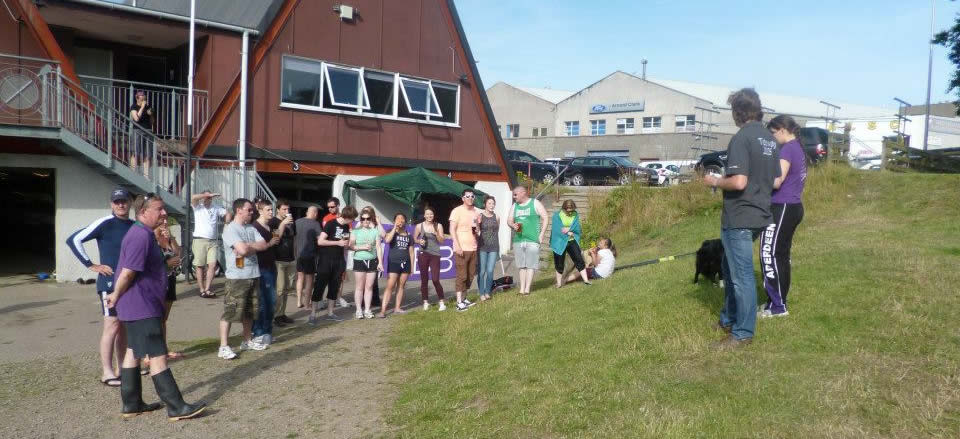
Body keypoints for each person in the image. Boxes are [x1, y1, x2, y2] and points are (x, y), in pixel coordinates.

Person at [106, 193, 205, 421]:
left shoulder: (143, 234)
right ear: (143, 212)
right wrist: (115, 294)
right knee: (158, 356)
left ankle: (132, 405)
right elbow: (129, 271)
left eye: (164, 209)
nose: (164, 213)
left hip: (135, 305)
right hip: (142, 306)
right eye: (159, 209)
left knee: (133, 351)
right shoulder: (140, 235)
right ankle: (177, 407)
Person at [702, 88, 780, 349]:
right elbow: (777, 179)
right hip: (760, 213)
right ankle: (729, 318)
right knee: (728, 267)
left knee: (741, 277)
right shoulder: (769, 139)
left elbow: (738, 181)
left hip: (739, 217)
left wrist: (714, 180)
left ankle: (743, 332)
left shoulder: (741, 139)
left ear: (738, 112)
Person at [66, 188, 134, 387]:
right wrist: (91, 265)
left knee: (123, 328)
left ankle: (123, 368)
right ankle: (107, 372)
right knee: (111, 326)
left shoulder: (133, 225)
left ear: (129, 203)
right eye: (116, 202)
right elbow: (74, 240)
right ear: (111, 204)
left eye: (124, 201)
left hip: (128, 283)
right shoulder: (105, 223)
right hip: (109, 284)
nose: (120, 205)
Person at [217, 198, 279, 360]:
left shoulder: (251, 228)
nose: (253, 212)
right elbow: (243, 250)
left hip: (253, 274)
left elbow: (264, 245)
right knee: (230, 312)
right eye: (249, 210)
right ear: (239, 210)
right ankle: (223, 346)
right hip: (237, 277)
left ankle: (247, 340)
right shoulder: (231, 229)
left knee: (250, 312)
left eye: (252, 210)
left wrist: (247, 246)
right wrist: (250, 247)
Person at [760, 115, 807, 318]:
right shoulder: (797, 147)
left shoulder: (787, 149)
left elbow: (777, 181)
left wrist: (757, 177)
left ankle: (778, 307)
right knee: (781, 256)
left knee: (769, 254)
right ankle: (777, 302)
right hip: (793, 206)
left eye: (772, 133)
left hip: (782, 207)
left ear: (781, 130)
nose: (772, 138)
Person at [310, 206, 357, 324]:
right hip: (326, 260)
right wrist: (338, 242)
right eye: (352, 219)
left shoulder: (346, 226)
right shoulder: (330, 224)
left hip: (339, 260)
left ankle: (330, 313)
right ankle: (313, 315)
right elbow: (320, 241)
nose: (353, 221)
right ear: (347, 217)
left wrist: (348, 245)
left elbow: (345, 244)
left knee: (334, 287)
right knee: (319, 286)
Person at [252, 200, 288, 346]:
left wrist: (282, 226)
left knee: (270, 301)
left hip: (271, 265)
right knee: (263, 301)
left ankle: (267, 331)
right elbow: (254, 247)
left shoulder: (270, 225)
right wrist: (269, 244)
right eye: (268, 210)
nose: (271, 213)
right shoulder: (255, 227)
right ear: (260, 211)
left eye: (271, 210)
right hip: (261, 267)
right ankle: (259, 333)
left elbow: (276, 238)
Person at [507, 185, 549, 296]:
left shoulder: (535, 203)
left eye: (515, 194)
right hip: (518, 240)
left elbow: (545, 217)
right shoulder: (514, 206)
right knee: (521, 265)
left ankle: (527, 289)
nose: (514, 197)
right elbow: (509, 220)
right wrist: (513, 225)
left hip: (532, 239)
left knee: (531, 264)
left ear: (522, 193)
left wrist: (541, 234)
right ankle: (521, 289)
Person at [191, 191, 231, 299]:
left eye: (209, 198)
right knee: (199, 266)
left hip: (213, 241)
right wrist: (207, 195)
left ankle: (207, 288)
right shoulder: (197, 206)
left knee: (212, 265)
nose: (207, 199)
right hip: (200, 239)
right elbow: (194, 196)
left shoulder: (216, 207)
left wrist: (226, 224)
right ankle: (201, 289)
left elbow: (228, 213)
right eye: (206, 197)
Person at [154, 217, 183, 360]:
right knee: (155, 318)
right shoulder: (150, 239)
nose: (164, 224)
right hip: (156, 282)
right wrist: (167, 264)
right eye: (161, 222)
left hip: (170, 279)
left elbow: (178, 254)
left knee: (163, 319)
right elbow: (148, 263)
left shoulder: (168, 238)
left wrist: (171, 238)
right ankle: (151, 352)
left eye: (166, 222)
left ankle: (163, 349)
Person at [449, 189, 481, 311]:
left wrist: (478, 230)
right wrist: (456, 245)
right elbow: (452, 229)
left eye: (472, 196)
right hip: (461, 248)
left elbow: (477, 229)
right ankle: (458, 302)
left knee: (470, 275)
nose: (470, 198)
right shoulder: (457, 211)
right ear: (463, 198)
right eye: (467, 196)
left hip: (473, 248)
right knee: (461, 276)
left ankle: (464, 298)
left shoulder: (476, 212)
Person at [350, 209, 383, 319]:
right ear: (360, 220)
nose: (365, 221)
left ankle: (368, 310)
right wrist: (362, 247)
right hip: (359, 260)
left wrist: (380, 262)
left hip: (372, 261)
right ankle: (359, 310)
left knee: (369, 287)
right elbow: (351, 246)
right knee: (359, 287)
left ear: (370, 220)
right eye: (363, 219)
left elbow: (378, 247)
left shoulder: (375, 231)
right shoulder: (355, 231)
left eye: (368, 219)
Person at [380, 213, 414, 317]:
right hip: (393, 262)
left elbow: (411, 252)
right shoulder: (391, 231)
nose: (400, 220)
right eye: (398, 218)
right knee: (390, 286)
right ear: (394, 221)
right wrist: (395, 227)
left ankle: (397, 308)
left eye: (402, 218)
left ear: (405, 221)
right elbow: (387, 240)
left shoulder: (409, 235)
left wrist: (412, 267)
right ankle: (383, 311)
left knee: (401, 286)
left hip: (406, 263)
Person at [550, 199, 591, 287]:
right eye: (567, 211)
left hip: (572, 240)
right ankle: (559, 283)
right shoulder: (557, 215)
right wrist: (569, 232)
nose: (569, 213)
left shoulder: (575, 214)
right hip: (559, 242)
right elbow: (557, 229)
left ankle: (586, 281)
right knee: (559, 263)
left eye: (571, 211)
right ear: (564, 208)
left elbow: (576, 227)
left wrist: (569, 230)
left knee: (579, 259)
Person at [413, 206, 447, 311]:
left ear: (434, 215)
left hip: (435, 254)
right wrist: (419, 241)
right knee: (424, 279)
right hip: (423, 253)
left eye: (431, 214)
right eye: (427, 214)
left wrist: (437, 234)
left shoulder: (438, 225)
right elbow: (414, 238)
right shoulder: (419, 226)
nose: (429, 216)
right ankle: (425, 302)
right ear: (424, 215)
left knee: (435, 279)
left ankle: (441, 302)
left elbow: (442, 241)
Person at [270, 200, 297, 326]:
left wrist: (295, 256)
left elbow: (294, 239)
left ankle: (282, 313)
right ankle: (276, 316)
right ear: (278, 210)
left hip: (290, 259)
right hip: (278, 259)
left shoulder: (291, 222)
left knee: (287, 289)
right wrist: (283, 224)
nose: (287, 212)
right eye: (284, 209)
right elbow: (275, 238)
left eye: (288, 209)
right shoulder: (273, 222)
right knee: (279, 289)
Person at [323, 197, 352, 309]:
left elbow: (349, 233)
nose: (330, 209)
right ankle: (324, 298)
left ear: (338, 205)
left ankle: (338, 297)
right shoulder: (326, 218)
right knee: (326, 275)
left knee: (340, 276)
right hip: (329, 251)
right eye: (329, 207)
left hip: (342, 251)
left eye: (332, 207)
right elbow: (324, 235)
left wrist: (348, 245)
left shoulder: (345, 218)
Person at [294, 206, 322, 309]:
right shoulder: (315, 223)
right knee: (310, 279)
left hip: (299, 255)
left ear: (307, 212)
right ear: (315, 213)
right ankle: (307, 304)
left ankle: (298, 301)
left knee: (300, 278)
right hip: (310, 255)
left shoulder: (297, 222)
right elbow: (320, 240)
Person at [476, 196, 500, 301]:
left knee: (490, 271)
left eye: (493, 203)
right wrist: (477, 223)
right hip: (482, 247)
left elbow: (496, 231)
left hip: (494, 246)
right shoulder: (480, 216)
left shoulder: (497, 217)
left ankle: (487, 292)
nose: (491, 205)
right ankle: (481, 292)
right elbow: (476, 231)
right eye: (489, 203)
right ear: (485, 204)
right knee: (482, 272)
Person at [128, 90, 154, 177]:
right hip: (137, 131)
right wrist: (142, 107)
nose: (143, 97)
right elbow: (136, 119)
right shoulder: (134, 106)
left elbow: (152, 121)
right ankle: (133, 173)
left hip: (148, 131)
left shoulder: (148, 106)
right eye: (141, 96)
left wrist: (151, 114)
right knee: (135, 152)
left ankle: (146, 176)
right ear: (137, 97)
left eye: (144, 96)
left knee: (147, 154)